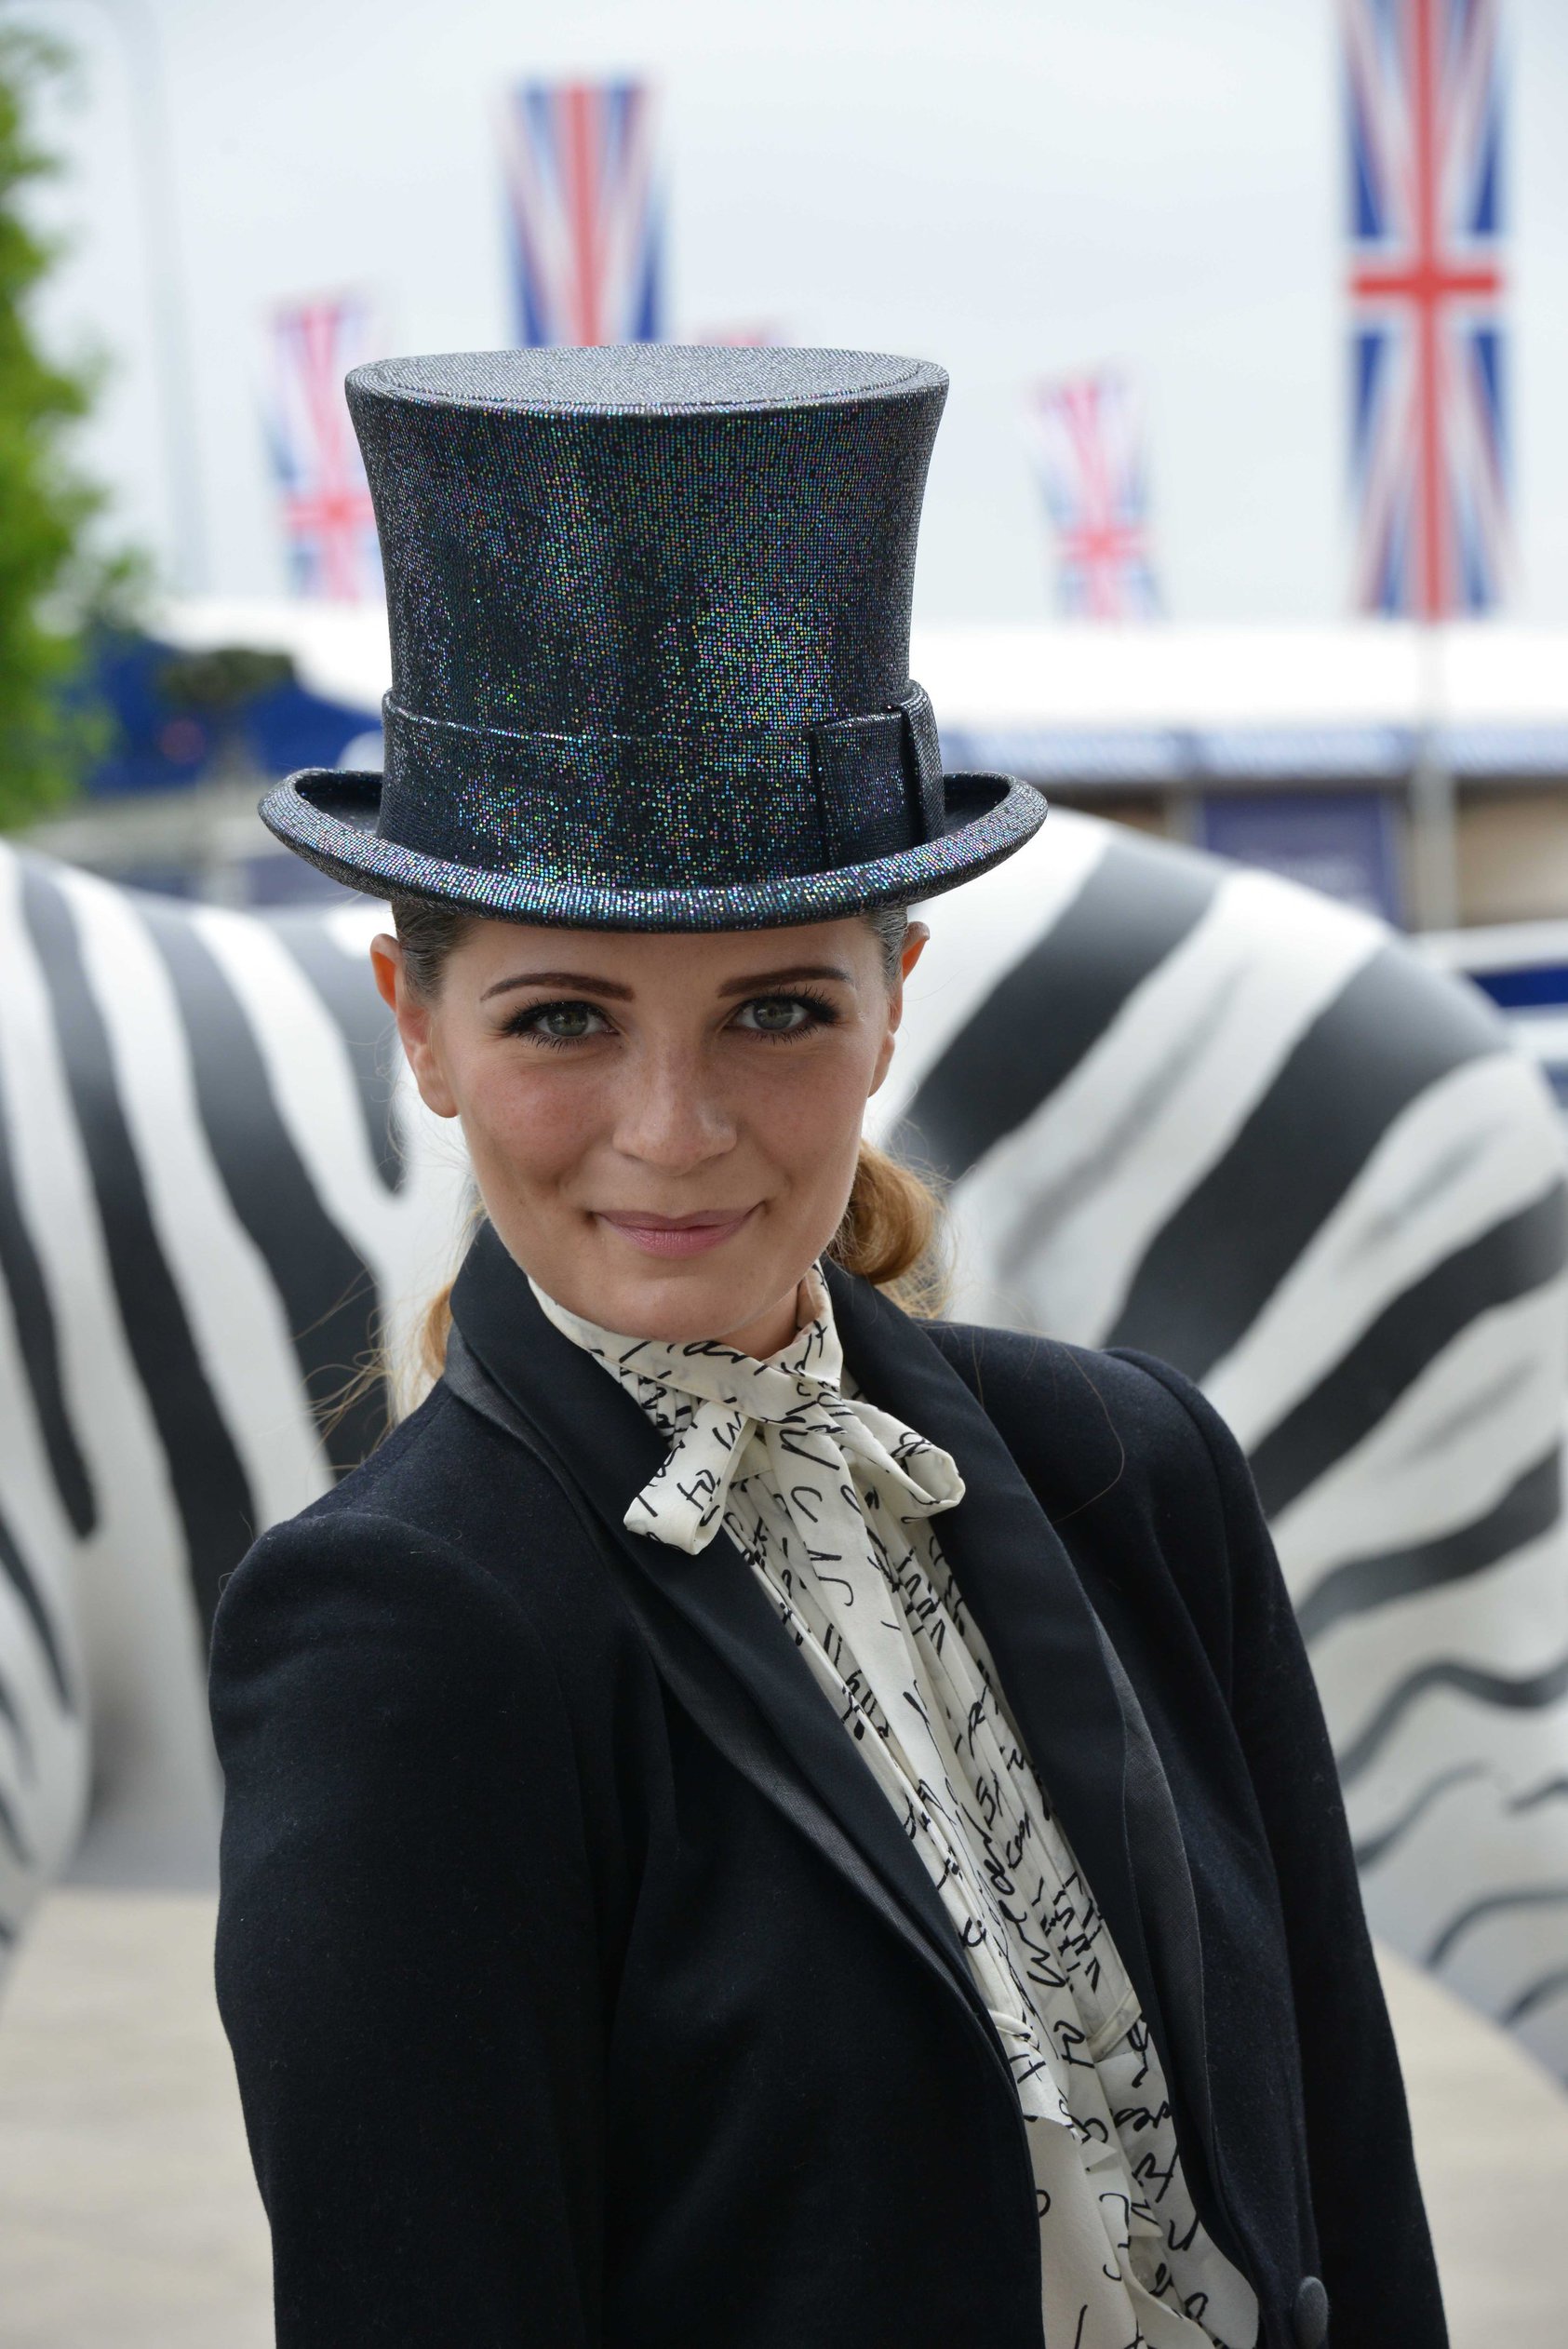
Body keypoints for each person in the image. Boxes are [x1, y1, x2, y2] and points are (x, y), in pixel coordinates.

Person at [211, 346, 1445, 2349]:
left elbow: (1348, 2182)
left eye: (778, 1011)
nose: (675, 1126)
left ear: (897, 1002)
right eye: (561, 1018)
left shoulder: (1139, 1467)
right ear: (417, 1022)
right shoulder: (400, 1625)